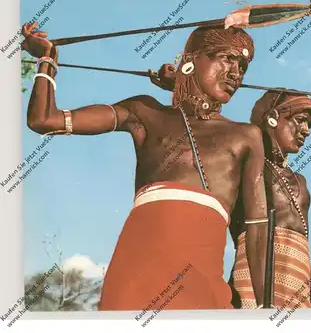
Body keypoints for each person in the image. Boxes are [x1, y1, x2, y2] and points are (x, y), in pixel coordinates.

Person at [21, 20, 269, 310]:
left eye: (242, 67)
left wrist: (266, 312)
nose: (235, 74)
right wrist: (47, 59)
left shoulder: (246, 136)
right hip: (135, 275)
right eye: (227, 59)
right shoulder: (145, 113)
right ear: (191, 60)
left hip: (203, 280)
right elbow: (43, 120)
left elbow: (257, 229)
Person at [228, 90, 311, 309]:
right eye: (300, 120)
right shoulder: (246, 165)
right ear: (272, 118)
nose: (306, 131)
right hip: (254, 268)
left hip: (297, 271)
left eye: (309, 125)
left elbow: (304, 244)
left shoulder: (300, 181)